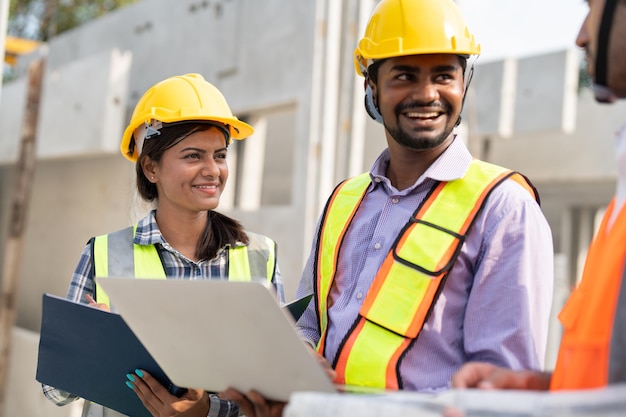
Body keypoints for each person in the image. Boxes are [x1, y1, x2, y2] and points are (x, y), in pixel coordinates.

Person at [294, 0, 554, 393]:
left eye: (444, 75)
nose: (427, 94)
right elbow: (309, 325)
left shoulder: (502, 209)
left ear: (463, 83)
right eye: (404, 76)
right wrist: (295, 362)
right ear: (372, 88)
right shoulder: (343, 200)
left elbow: (498, 389)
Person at [41, 73, 284, 417]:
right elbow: (55, 391)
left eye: (220, 154)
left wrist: (206, 410)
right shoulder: (104, 253)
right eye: (193, 156)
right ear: (151, 167)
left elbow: (279, 390)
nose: (213, 170)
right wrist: (87, 342)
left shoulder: (261, 256)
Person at [452, 0, 626, 392]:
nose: (581, 34)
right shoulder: (621, 199)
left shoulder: (506, 206)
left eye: (593, 5)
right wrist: (542, 389)